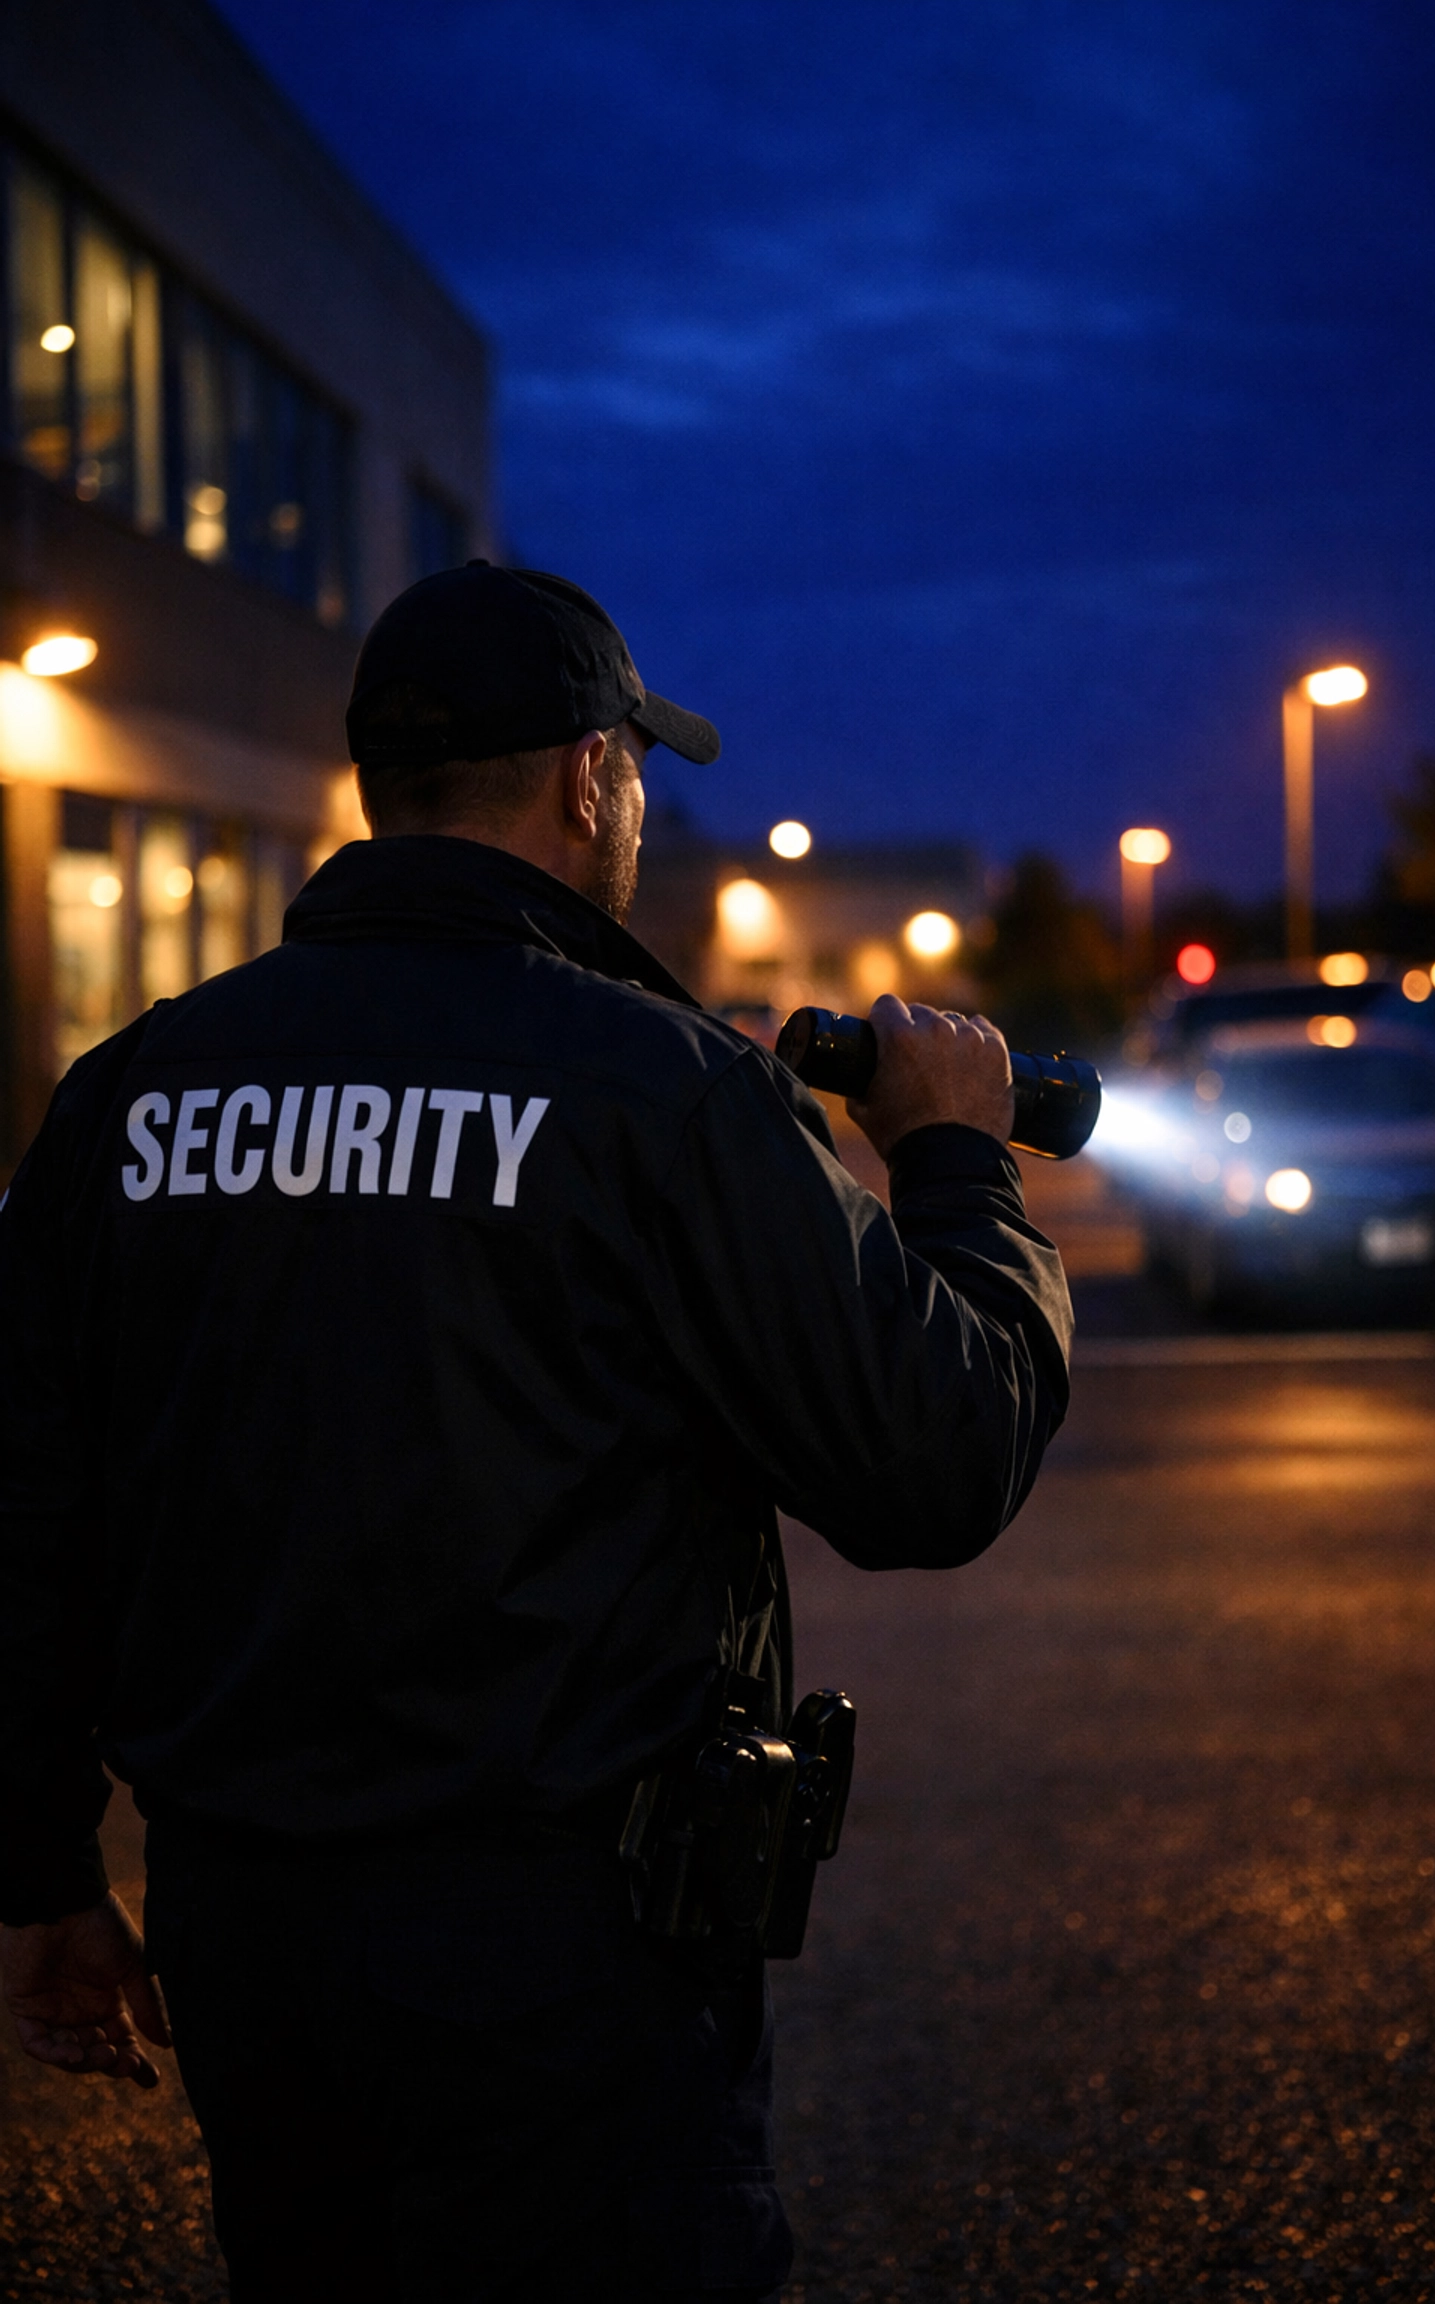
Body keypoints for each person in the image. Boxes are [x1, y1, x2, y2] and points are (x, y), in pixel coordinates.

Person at [0, 563, 1072, 2302]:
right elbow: (937, 1458)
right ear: (591, 779)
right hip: (569, 1955)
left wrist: (43, 1872)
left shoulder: (133, 1092)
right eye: (635, 772)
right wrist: (955, 1161)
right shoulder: (661, 1090)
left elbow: (27, 1505)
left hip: (248, 1938)